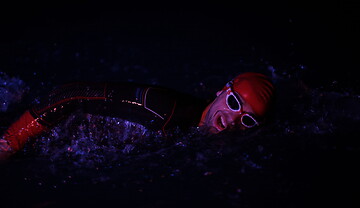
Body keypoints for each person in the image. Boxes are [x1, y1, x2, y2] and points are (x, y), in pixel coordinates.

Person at [0, 72, 274, 160]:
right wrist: (11, 141)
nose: (232, 118)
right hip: (56, 131)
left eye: (247, 120)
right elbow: (72, 93)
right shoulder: (159, 109)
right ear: (222, 91)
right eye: (234, 102)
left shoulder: (213, 137)